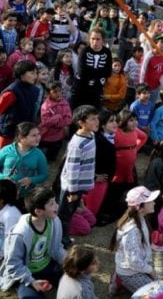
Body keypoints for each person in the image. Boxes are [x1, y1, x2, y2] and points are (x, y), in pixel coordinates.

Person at [0, 187, 65, 298]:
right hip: (28, 273)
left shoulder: (55, 221)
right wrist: (31, 281)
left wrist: (67, 261)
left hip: (49, 266)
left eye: (55, 201)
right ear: (38, 211)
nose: (56, 205)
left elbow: (57, 248)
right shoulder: (19, 234)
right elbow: (13, 264)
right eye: (52, 204)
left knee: (76, 275)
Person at [58, 105, 99, 249]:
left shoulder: (91, 135)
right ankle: (62, 240)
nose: (97, 122)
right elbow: (72, 168)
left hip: (80, 185)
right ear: (81, 122)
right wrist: (73, 191)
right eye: (92, 119)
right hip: (71, 186)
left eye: (97, 118)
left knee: (71, 211)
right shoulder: (77, 143)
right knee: (64, 214)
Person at [108, 186, 159, 296]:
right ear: (140, 207)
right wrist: (150, 270)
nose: (154, 203)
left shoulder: (141, 217)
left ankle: (121, 282)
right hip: (130, 272)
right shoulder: (133, 232)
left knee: (158, 286)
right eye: (150, 201)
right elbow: (133, 261)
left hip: (138, 266)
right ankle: (120, 280)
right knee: (155, 294)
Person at [0, 59, 41, 151]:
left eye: (36, 73)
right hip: (8, 129)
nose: (35, 76)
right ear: (22, 75)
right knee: (3, 153)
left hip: (23, 130)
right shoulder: (12, 92)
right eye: (32, 73)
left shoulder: (35, 90)